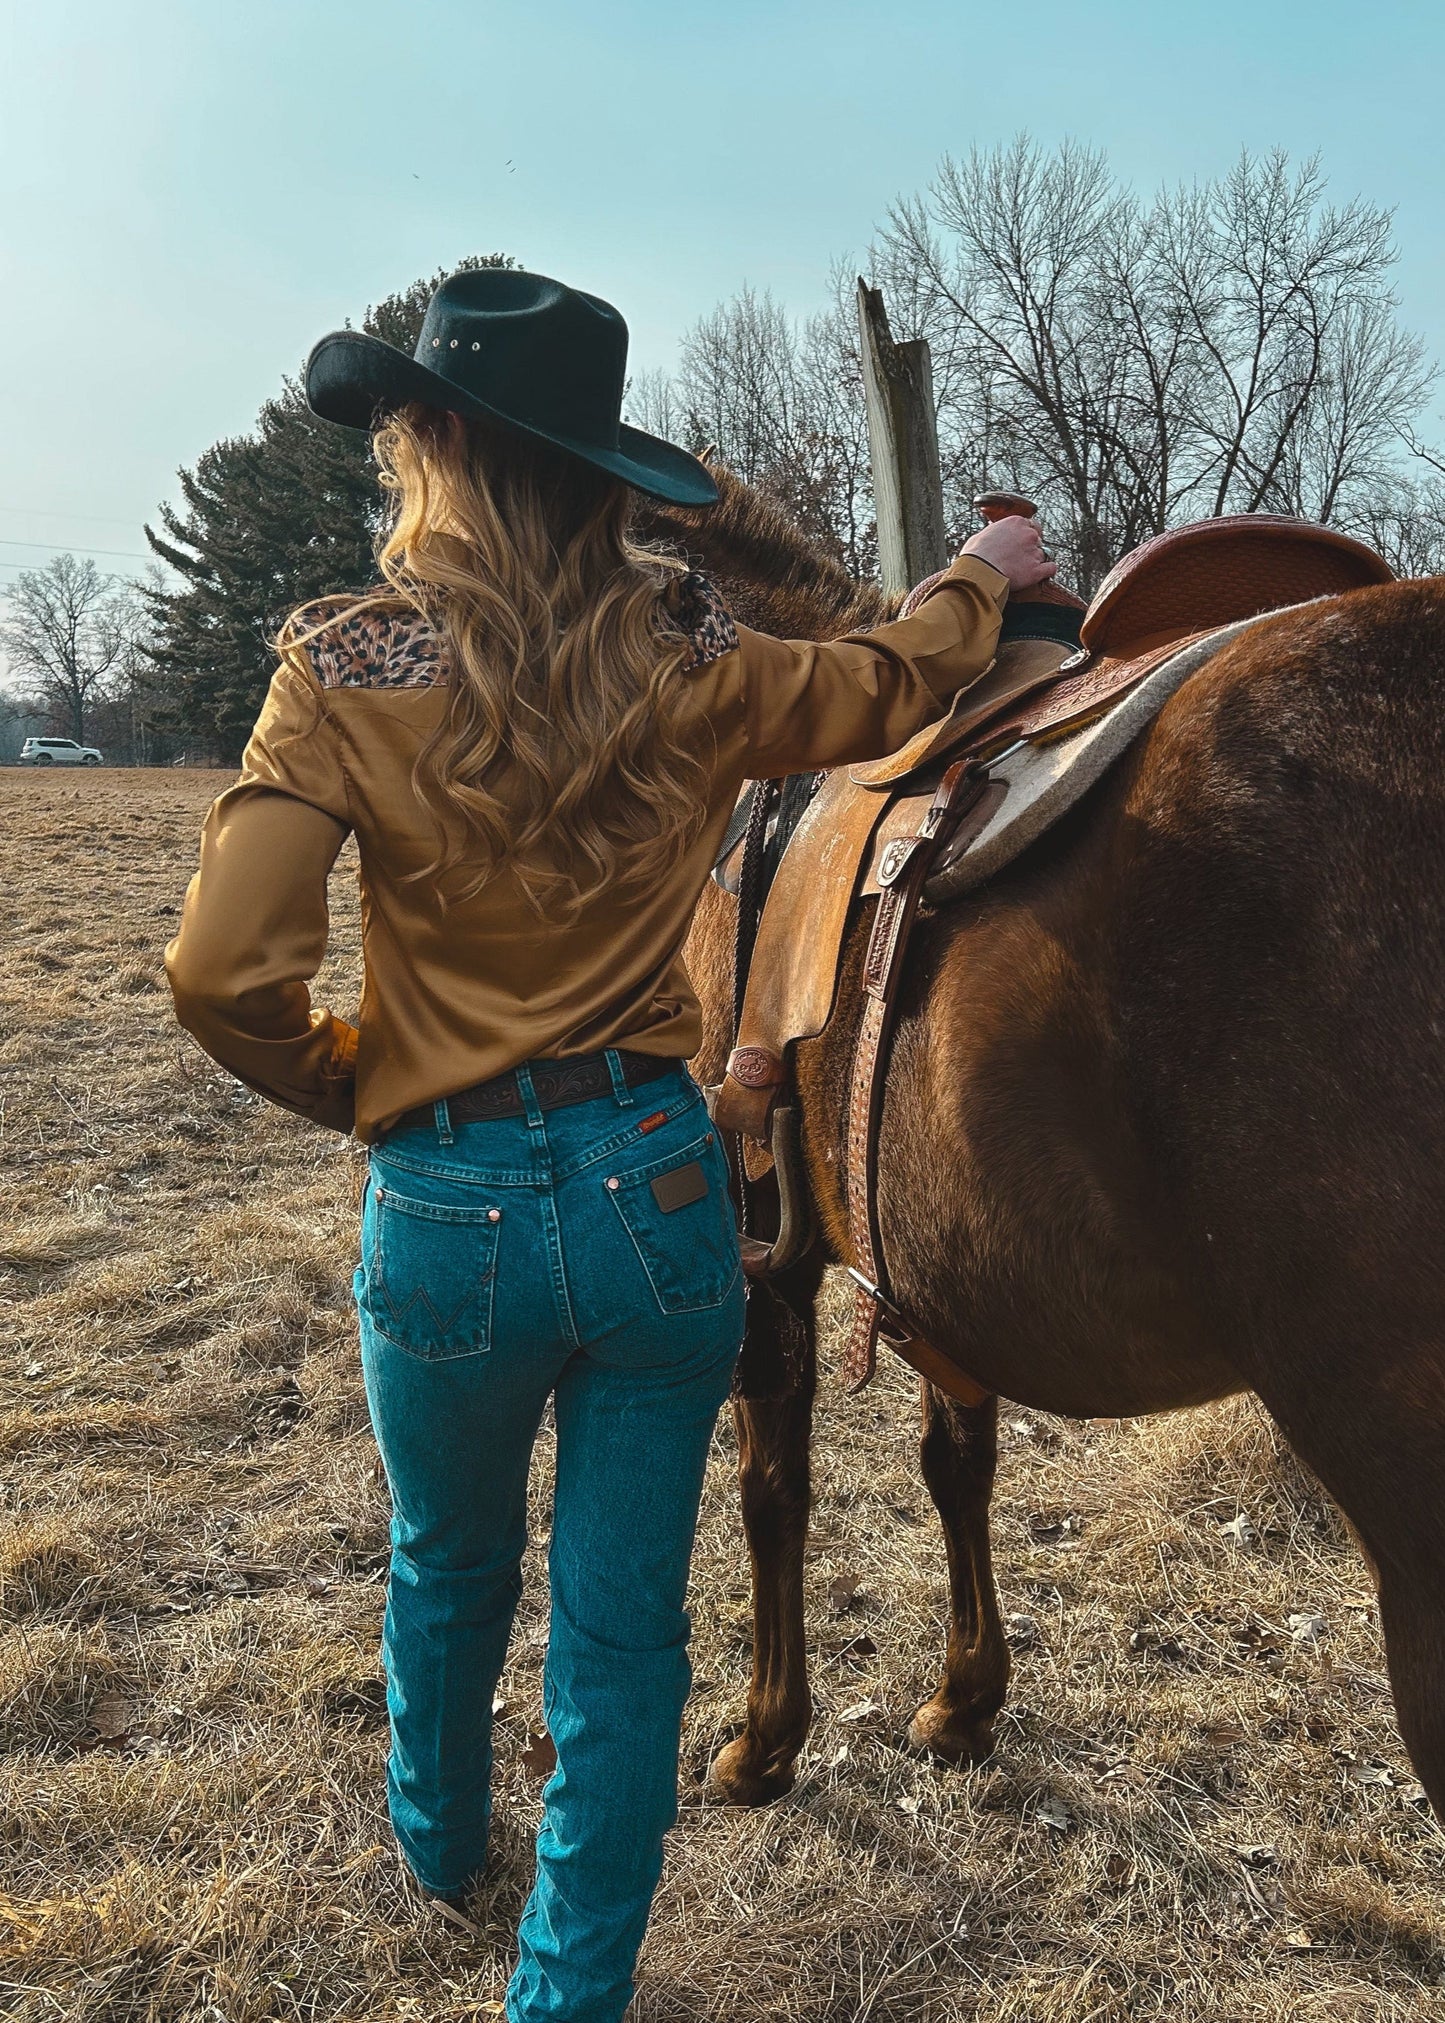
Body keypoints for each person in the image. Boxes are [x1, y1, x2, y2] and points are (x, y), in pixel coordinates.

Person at [164, 267, 1054, 2023]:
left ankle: (438, 1846)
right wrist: (979, 577)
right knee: (627, 1628)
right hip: (656, 1184)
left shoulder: (342, 670)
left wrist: (379, 1084)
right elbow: (893, 681)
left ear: (429, 438)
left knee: (446, 1560)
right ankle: (567, 1997)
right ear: (598, 471)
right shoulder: (691, 655)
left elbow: (221, 977)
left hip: (447, 1202)